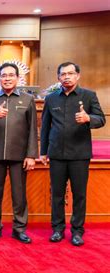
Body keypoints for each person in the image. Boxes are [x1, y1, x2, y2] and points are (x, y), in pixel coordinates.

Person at [40, 61, 106, 246]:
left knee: (79, 194)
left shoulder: (89, 96)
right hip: (57, 154)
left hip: (79, 154)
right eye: (63, 74)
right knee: (57, 194)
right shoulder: (51, 98)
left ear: (78, 76)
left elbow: (101, 119)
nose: (67, 77)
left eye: (70, 73)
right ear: (58, 77)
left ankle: (77, 231)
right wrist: (43, 152)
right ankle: (58, 229)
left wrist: (88, 119)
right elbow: (45, 127)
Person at [0, 62, 38, 244]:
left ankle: (19, 229)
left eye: (11, 75)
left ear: (18, 78)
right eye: (4, 75)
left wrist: (31, 155)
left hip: (20, 156)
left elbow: (33, 129)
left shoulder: (27, 99)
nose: (7, 78)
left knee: (19, 195)